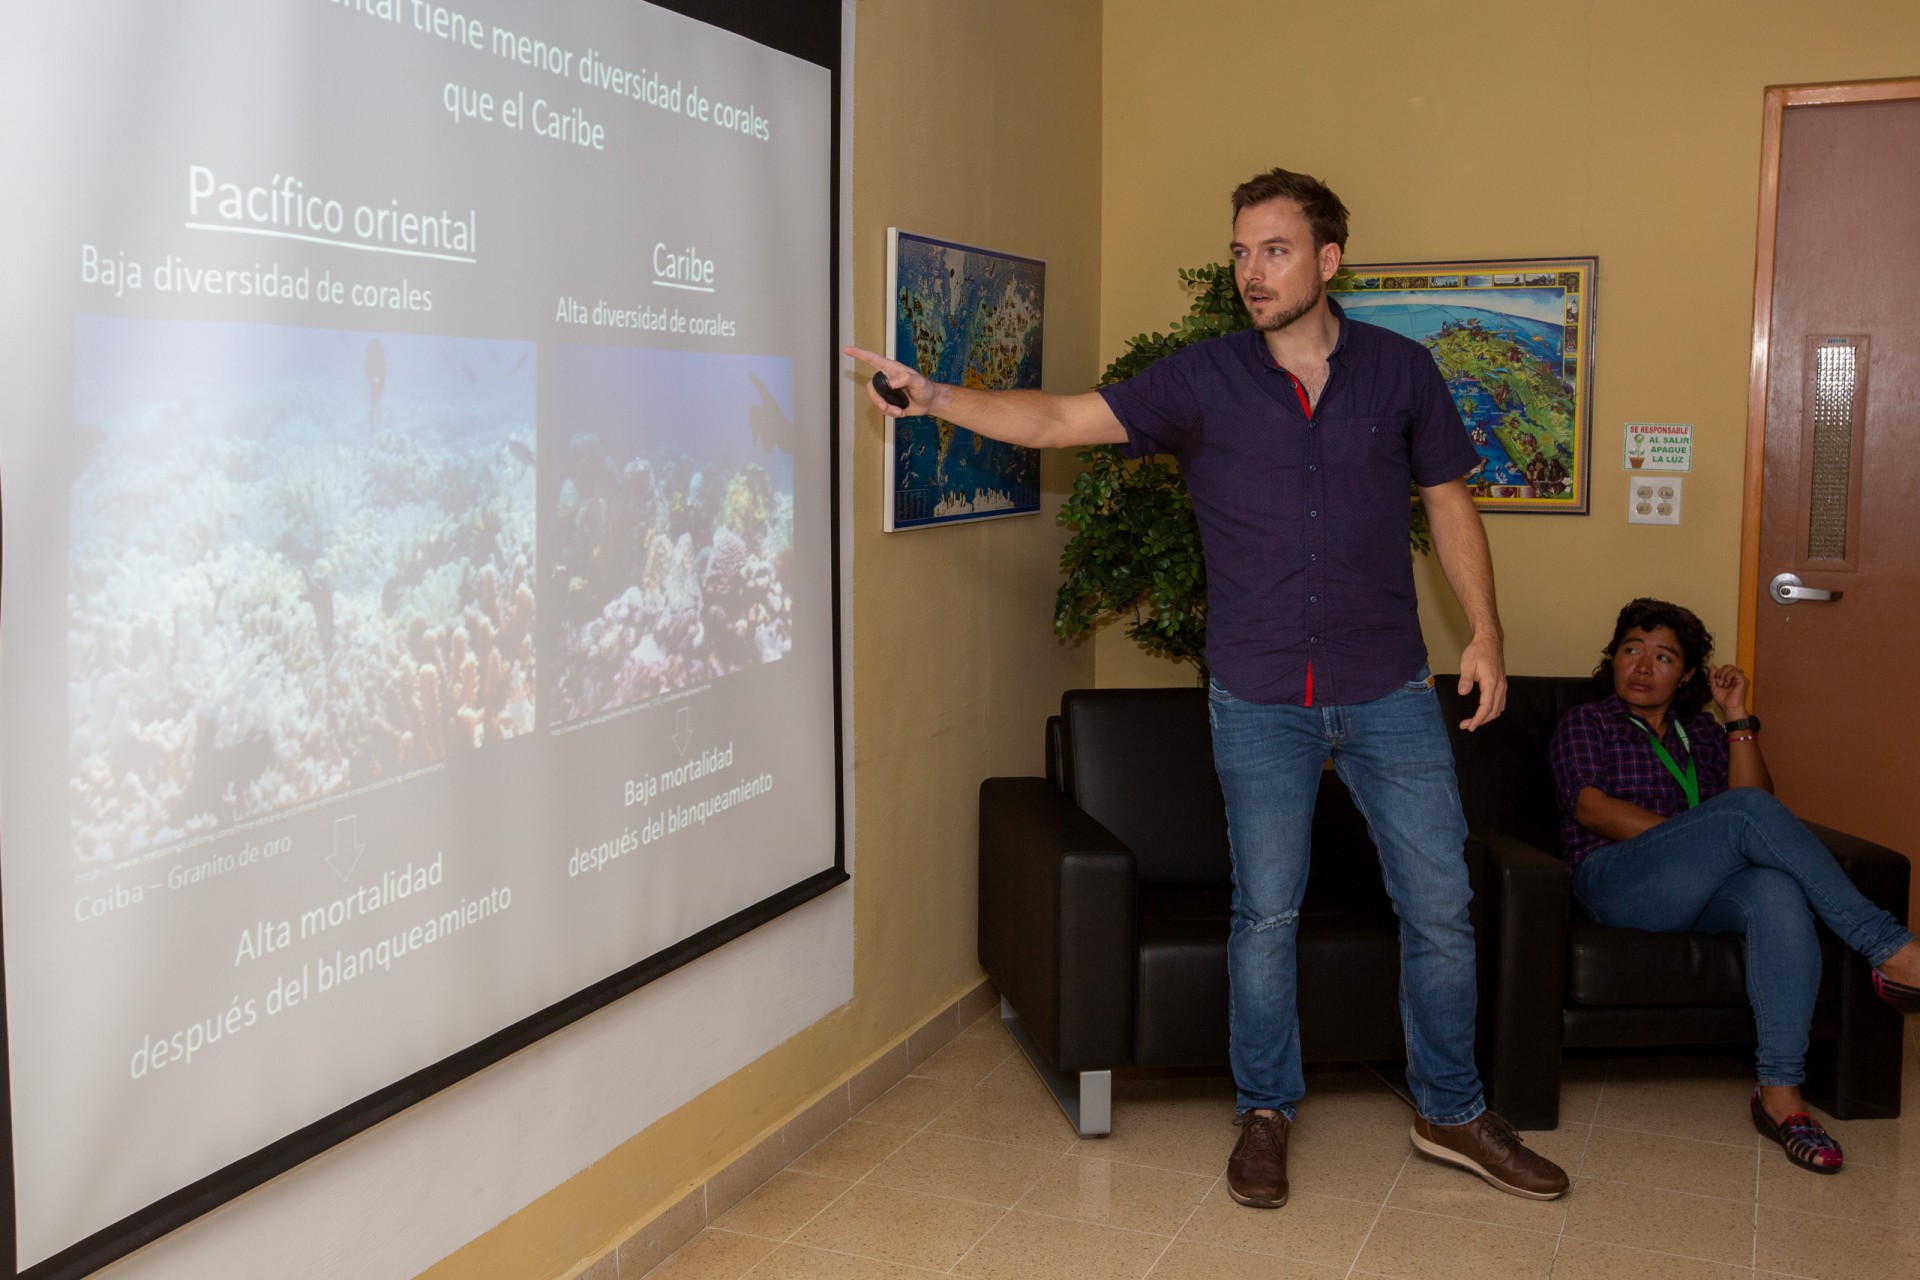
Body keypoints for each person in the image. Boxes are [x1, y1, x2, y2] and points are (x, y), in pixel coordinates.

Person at [847, 167, 1568, 1208]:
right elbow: (1056, 420)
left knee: (1442, 908)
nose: (1251, 272)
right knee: (1264, 914)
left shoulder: (1404, 373)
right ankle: (1264, 1110)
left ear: (1328, 260)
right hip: (1259, 696)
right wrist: (937, 398)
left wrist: (1488, 635)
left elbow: (1453, 506)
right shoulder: (1200, 380)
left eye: (1274, 250)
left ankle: (1451, 1108)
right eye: (1240, 251)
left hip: (1389, 688)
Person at [1548, 598, 1920, 1174]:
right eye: (1631, 651)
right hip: (1615, 880)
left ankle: (1780, 1095)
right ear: (1613, 658)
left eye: (1663, 656)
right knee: (1741, 818)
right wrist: (1703, 837)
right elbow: (1592, 809)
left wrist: (1737, 716)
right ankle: (1892, 950)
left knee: (1776, 888)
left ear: (1688, 674)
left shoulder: (1701, 730)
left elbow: (1758, 800)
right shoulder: (1587, 720)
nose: (1643, 667)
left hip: (1702, 890)